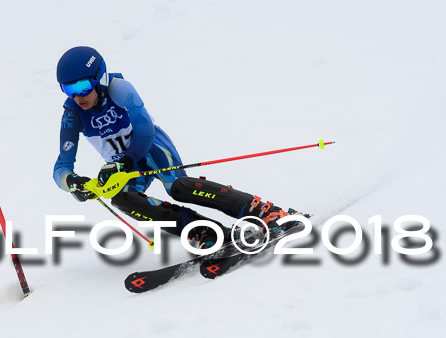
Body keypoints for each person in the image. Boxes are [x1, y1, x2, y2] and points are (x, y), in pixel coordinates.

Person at [53, 46, 297, 249]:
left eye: (81, 87)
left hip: (151, 149)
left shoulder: (119, 89)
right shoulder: (72, 115)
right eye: (68, 89)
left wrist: (123, 162)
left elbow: (145, 131)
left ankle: (265, 211)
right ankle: (205, 232)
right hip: (123, 166)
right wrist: (74, 182)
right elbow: (61, 168)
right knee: (122, 199)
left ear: (99, 77)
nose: (77, 96)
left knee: (179, 188)